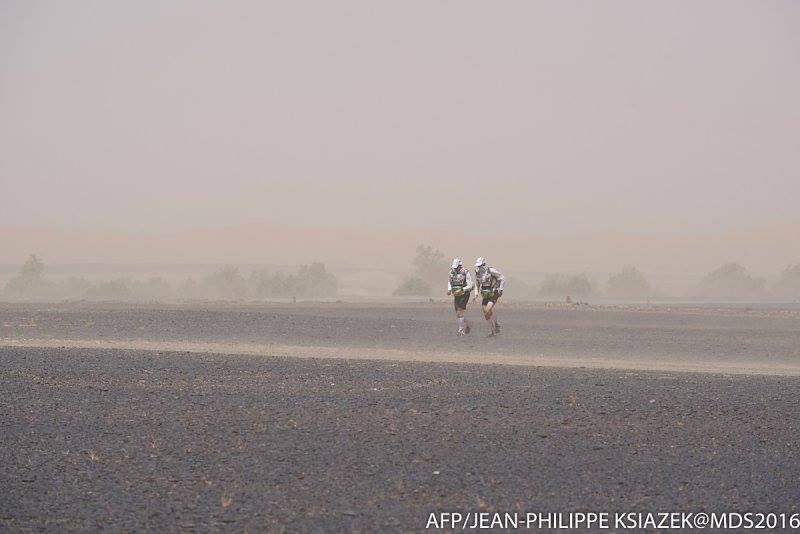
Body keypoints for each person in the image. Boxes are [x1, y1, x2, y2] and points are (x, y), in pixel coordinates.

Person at [473, 257, 505, 336]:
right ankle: (493, 331)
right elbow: (477, 285)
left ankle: (496, 324)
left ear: (484, 264)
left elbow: (502, 278)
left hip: (494, 292)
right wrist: (476, 294)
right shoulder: (478, 274)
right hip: (485, 293)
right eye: (478, 266)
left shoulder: (491, 271)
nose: (479, 268)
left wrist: (500, 289)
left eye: (480, 266)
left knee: (487, 310)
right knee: (486, 313)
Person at [446, 258, 473, 336]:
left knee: (460, 311)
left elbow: (470, 285)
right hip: (456, 294)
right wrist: (449, 289)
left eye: (457, 267)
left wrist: (462, 289)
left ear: (460, 266)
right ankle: (468, 324)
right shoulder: (451, 272)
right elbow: (449, 282)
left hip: (464, 294)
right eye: (454, 267)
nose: (455, 269)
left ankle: (461, 330)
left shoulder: (465, 272)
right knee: (458, 313)